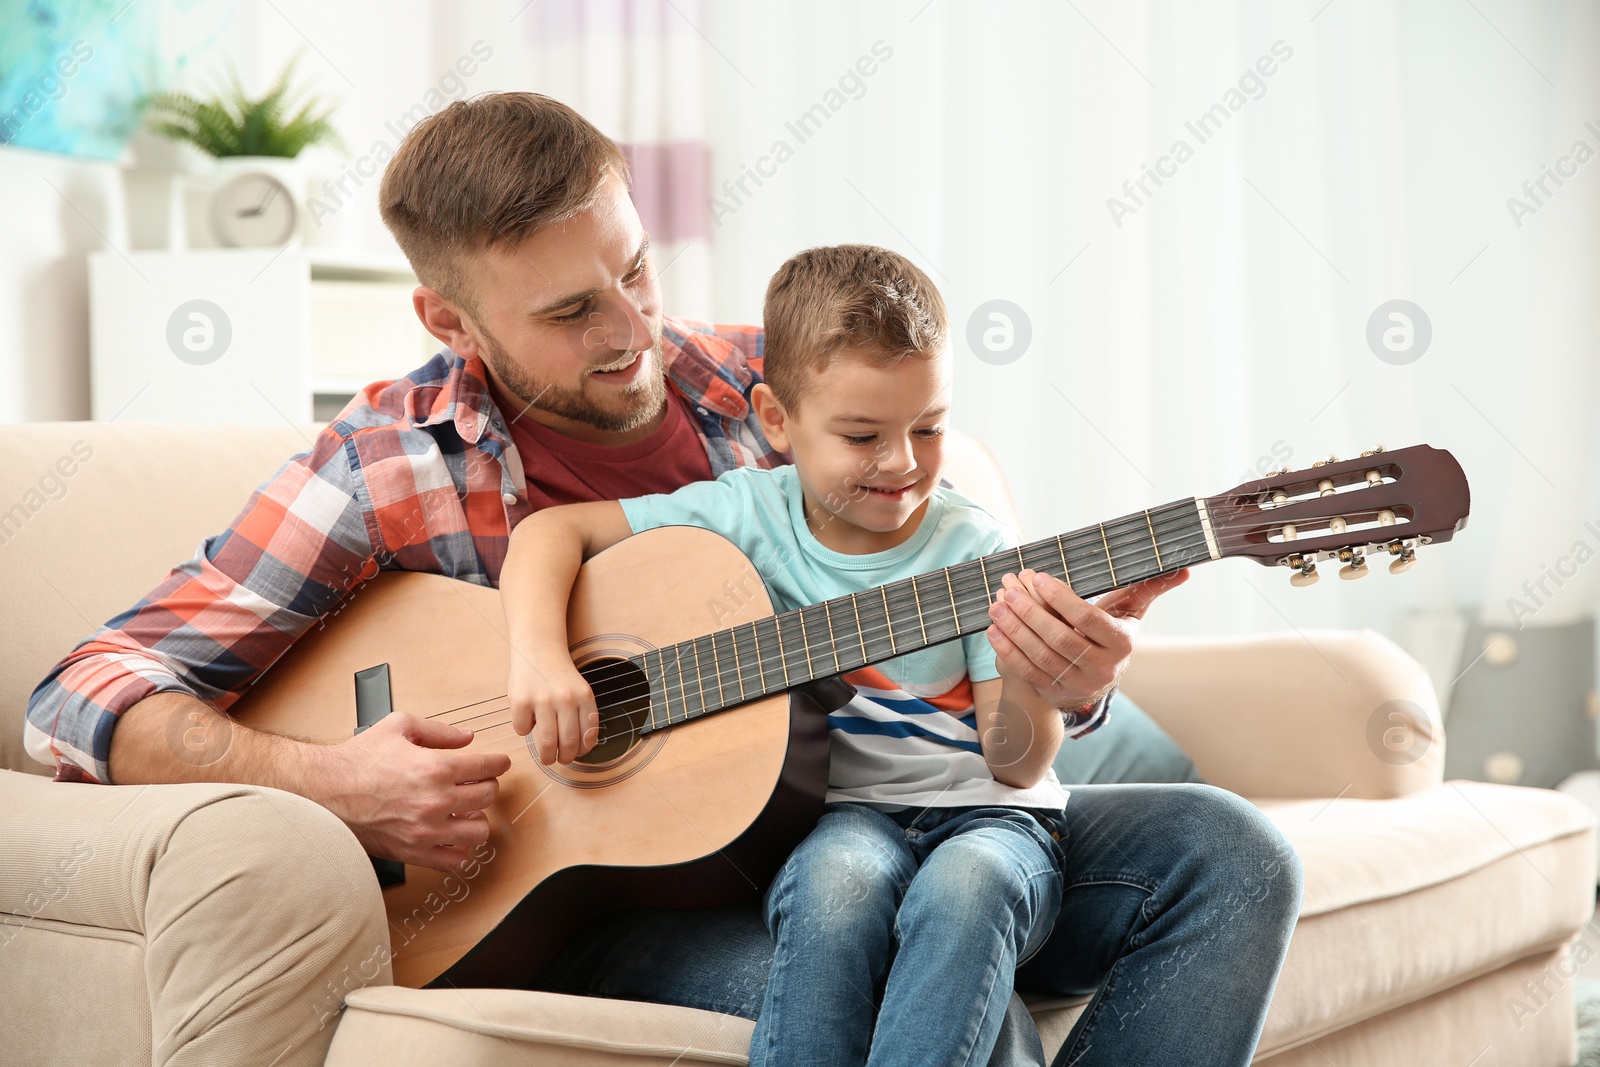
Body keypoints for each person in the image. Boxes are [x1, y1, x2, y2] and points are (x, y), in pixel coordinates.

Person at [24, 92, 1301, 1066]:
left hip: (880, 818)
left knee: (1230, 854)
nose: (632, 331)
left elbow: (961, 644)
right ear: (449, 321)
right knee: (886, 977)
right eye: (570, 310)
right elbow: (81, 692)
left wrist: (1054, 672)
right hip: (597, 898)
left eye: (634, 269)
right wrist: (330, 778)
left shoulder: (781, 387)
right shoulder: (383, 466)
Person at [501, 243, 1101, 1066]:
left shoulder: (976, 545)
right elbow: (550, 530)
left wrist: (1035, 674)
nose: (902, 463)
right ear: (776, 420)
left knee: (970, 886)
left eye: (929, 428)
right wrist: (540, 656)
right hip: (835, 821)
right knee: (836, 884)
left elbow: (1015, 765)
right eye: (863, 435)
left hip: (990, 817)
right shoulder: (742, 511)